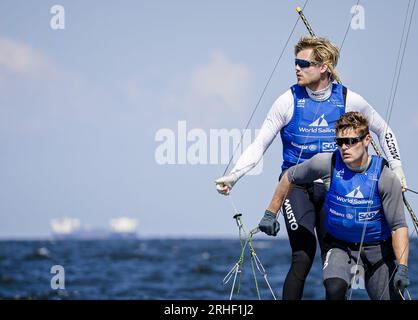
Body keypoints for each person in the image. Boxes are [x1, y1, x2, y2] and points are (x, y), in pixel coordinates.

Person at [215, 36, 407, 300]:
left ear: (324, 67)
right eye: (296, 62)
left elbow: (383, 130)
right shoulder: (287, 101)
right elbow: (259, 144)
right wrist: (234, 176)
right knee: (302, 256)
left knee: (335, 264)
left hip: (333, 188)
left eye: (304, 64)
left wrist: (396, 169)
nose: (297, 68)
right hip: (295, 187)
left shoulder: (348, 99)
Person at [260, 111, 409, 300]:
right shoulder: (326, 163)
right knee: (334, 288)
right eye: (340, 142)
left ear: (367, 140)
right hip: (340, 247)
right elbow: (289, 176)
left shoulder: (385, 178)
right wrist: (270, 213)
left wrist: (402, 268)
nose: (345, 147)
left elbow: (398, 226)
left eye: (351, 141)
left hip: (377, 251)